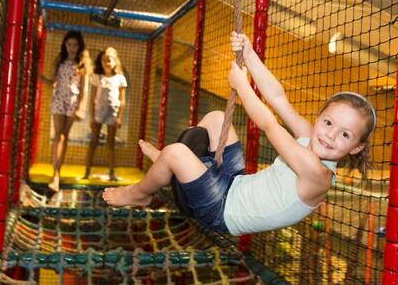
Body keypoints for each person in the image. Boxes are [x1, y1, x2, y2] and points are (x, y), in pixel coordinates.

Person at [102, 32, 376, 235]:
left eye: (345, 135)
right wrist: (249, 55)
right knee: (217, 118)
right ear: (319, 119)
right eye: (328, 123)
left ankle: (141, 192)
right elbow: (278, 98)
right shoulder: (309, 134)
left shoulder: (318, 175)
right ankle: (168, 168)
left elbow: (270, 126)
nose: (330, 135)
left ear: (356, 147)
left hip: (223, 211)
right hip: (235, 183)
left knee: (176, 152)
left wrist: (242, 87)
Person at [41, 31, 90, 193]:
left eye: (75, 45)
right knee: (58, 136)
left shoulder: (82, 64)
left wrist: (81, 107)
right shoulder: (60, 60)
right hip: (59, 99)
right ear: (65, 45)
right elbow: (53, 81)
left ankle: (57, 174)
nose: (72, 48)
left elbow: (84, 89)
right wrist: (42, 79)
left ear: (79, 46)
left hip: (72, 102)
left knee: (63, 136)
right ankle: (55, 174)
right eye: (69, 44)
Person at [83, 47, 127, 182]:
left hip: (112, 113)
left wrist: (119, 117)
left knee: (111, 143)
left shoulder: (120, 78)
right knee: (93, 141)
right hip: (98, 112)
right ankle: (87, 171)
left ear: (116, 61)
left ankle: (111, 173)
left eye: (109, 59)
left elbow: (122, 100)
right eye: (104, 59)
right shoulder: (97, 77)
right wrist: (91, 117)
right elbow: (92, 99)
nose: (106, 62)